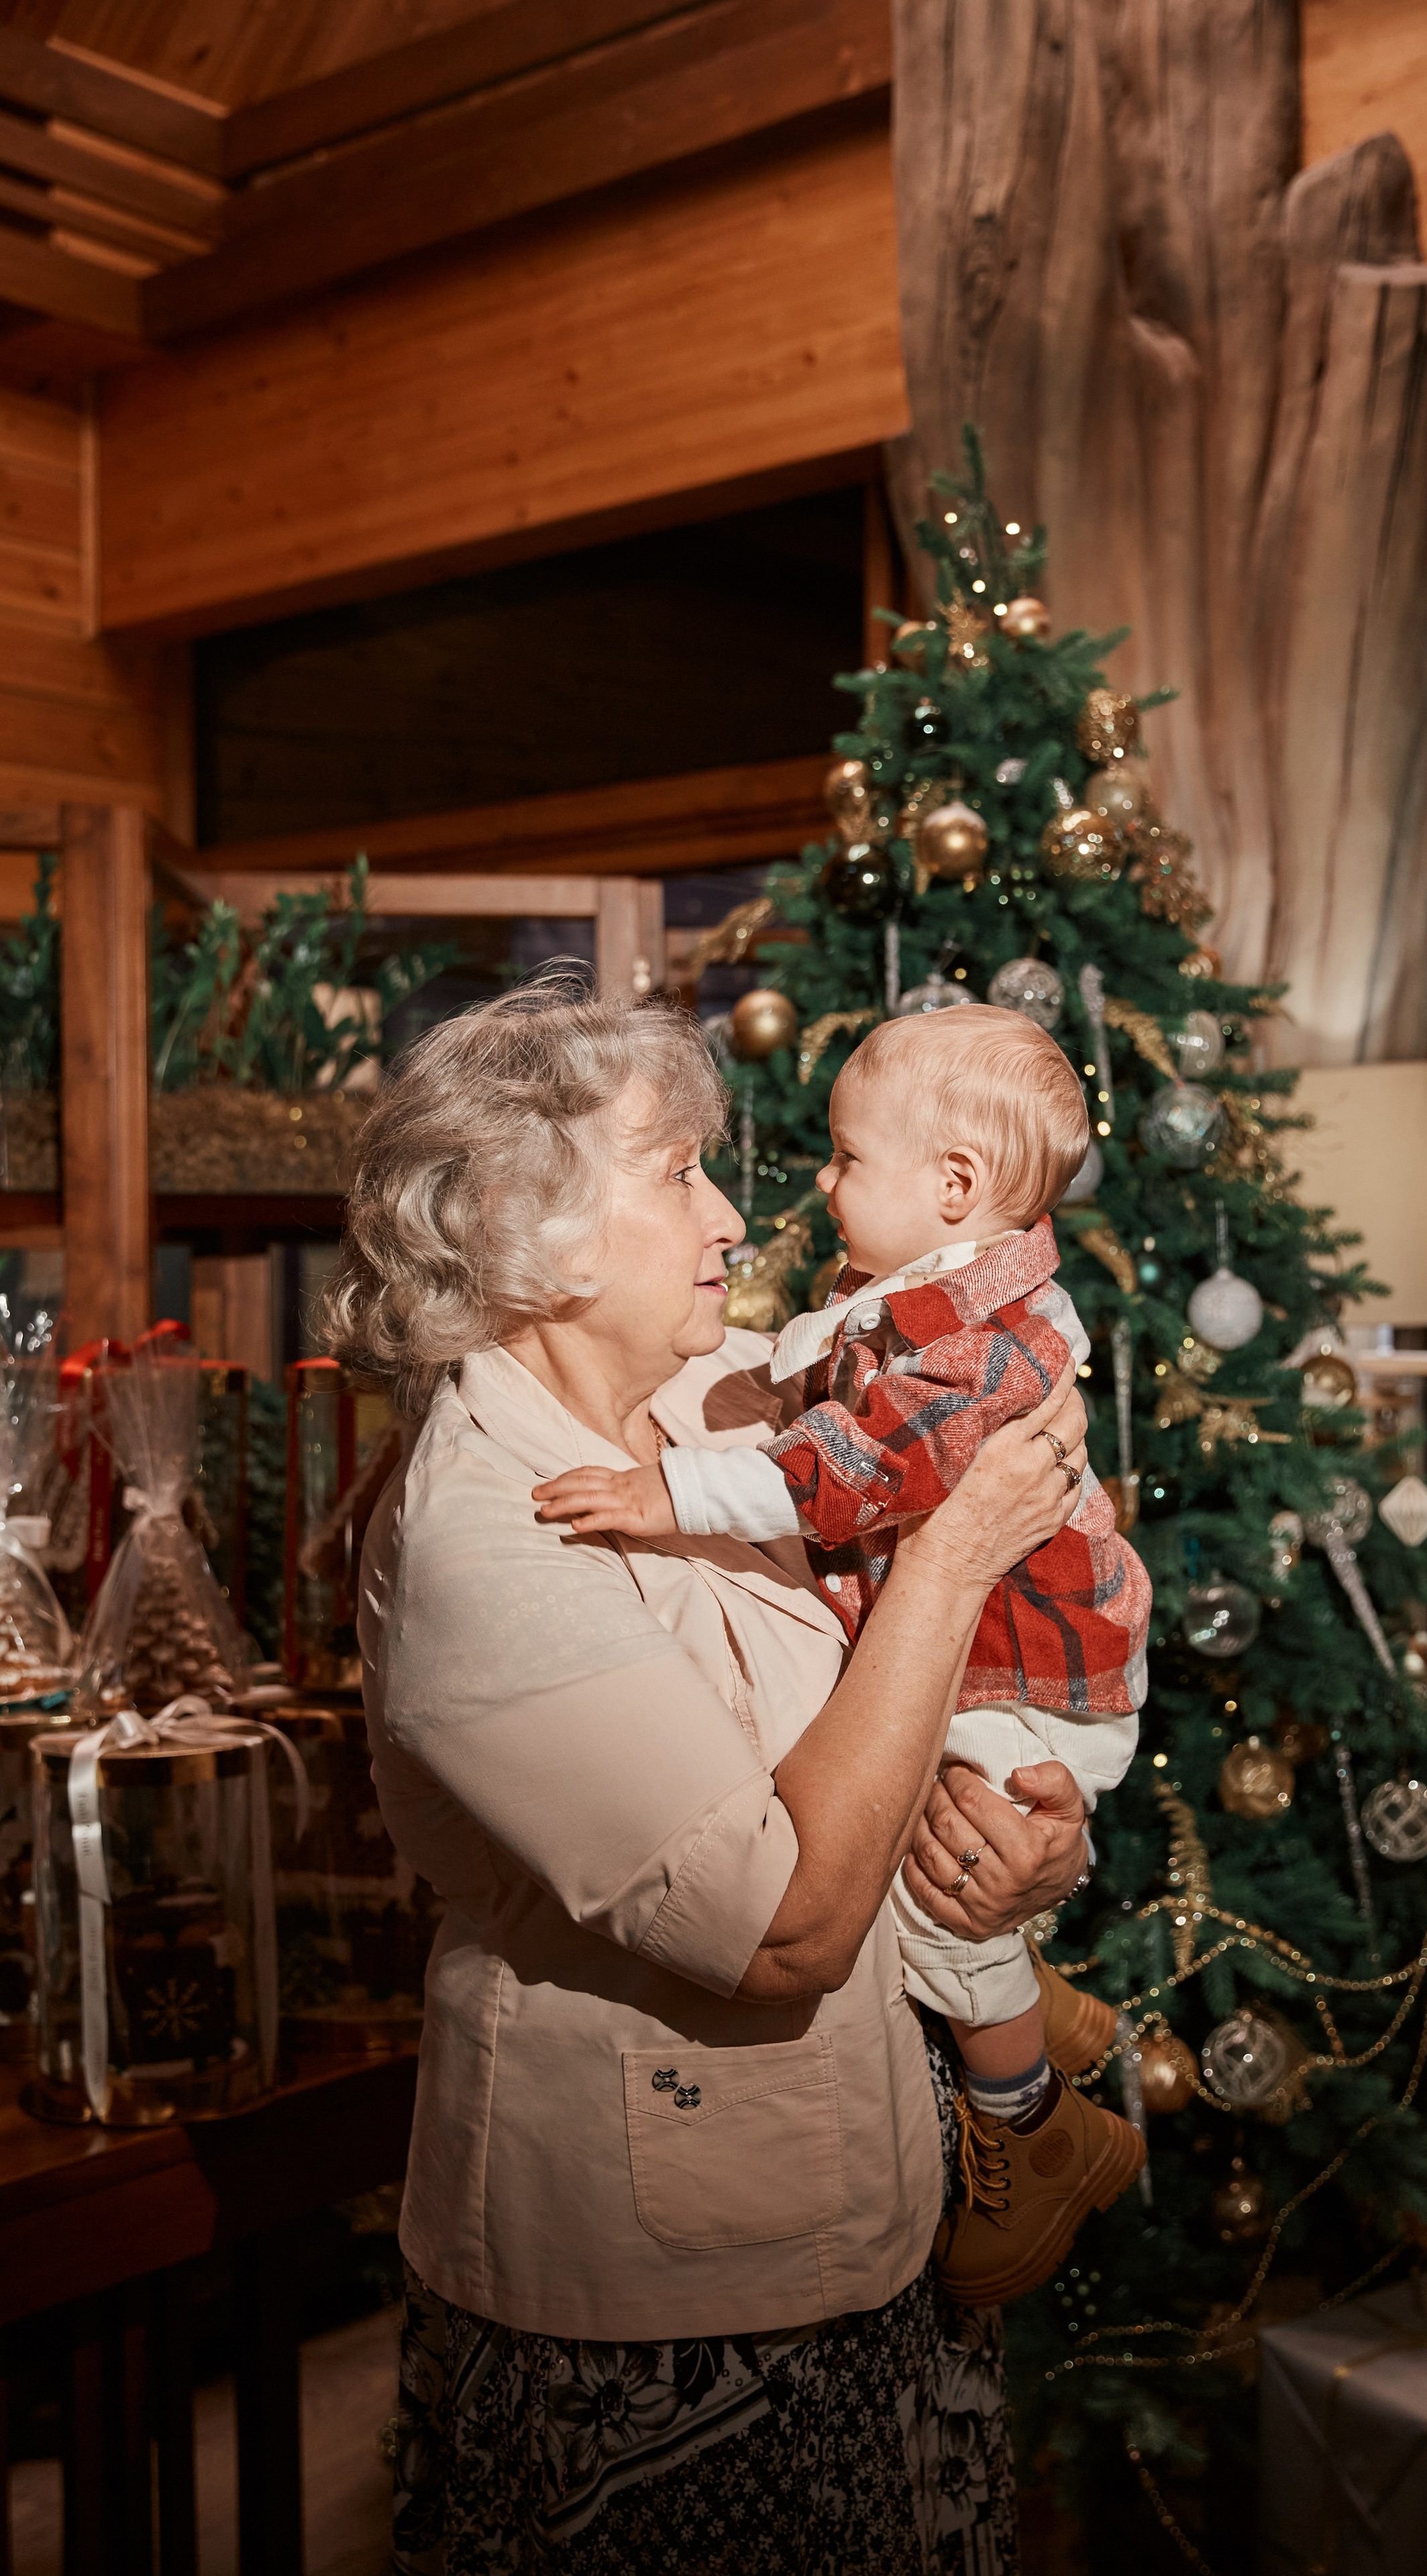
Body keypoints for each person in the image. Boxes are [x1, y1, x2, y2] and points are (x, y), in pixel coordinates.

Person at [327, 978, 1095, 2573]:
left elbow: (1006, 1474)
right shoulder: (487, 1532)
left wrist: (1027, 1841)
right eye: (676, 1171)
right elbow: (783, 1929)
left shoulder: (723, 1394)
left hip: (885, 2215)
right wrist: (952, 1555)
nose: (734, 1215)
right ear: (525, 1222)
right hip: (662, 2313)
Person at [537, 1008, 1150, 2302]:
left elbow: (843, 1470)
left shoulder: (973, 1345)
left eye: (842, 1159)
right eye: (683, 1179)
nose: (795, 1194)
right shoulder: (910, 1302)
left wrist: (669, 1496)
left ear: (956, 1188)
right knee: (954, 1846)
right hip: (1005, 1656)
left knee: (946, 1885)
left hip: (1026, 1666)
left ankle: (1035, 2132)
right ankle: (1035, 2003)